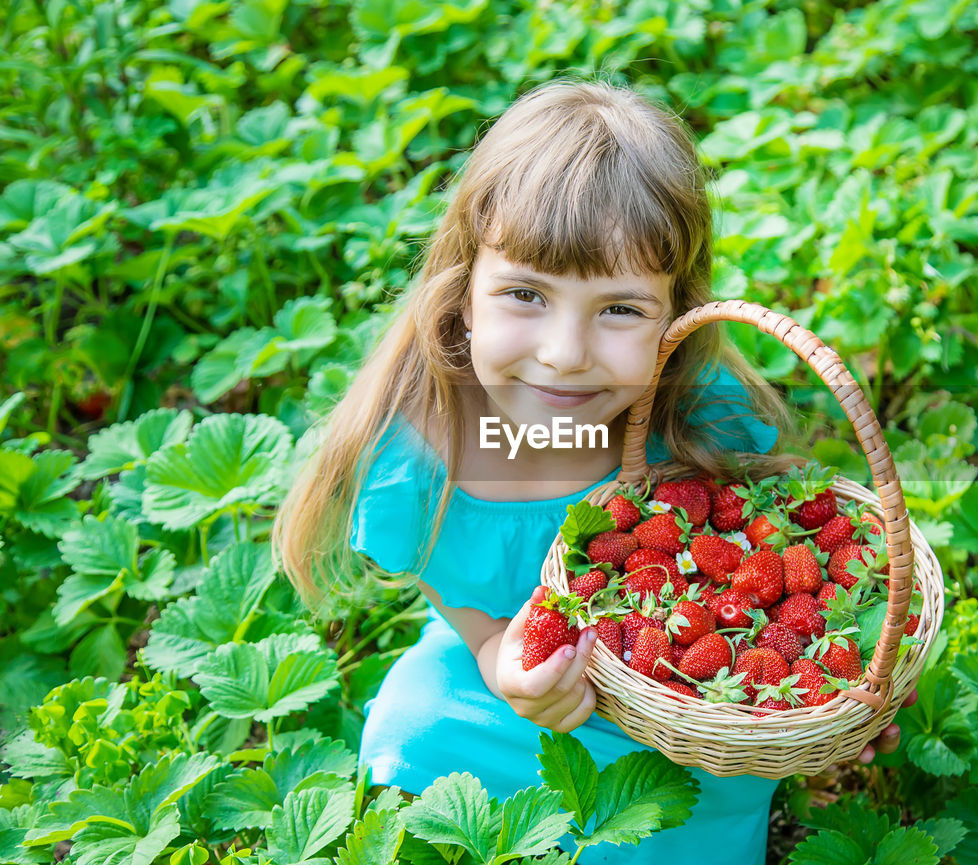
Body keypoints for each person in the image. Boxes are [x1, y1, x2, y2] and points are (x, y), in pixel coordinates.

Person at [272, 76, 911, 865]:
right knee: (413, 718)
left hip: (679, 705)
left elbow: (764, 579)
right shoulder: (418, 458)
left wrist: (828, 691)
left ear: (676, 315)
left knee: (680, 806)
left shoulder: (699, 418)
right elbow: (472, 616)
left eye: (619, 309)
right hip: (510, 695)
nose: (564, 352)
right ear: (464, 293)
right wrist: (502, 662)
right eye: (524, 295)